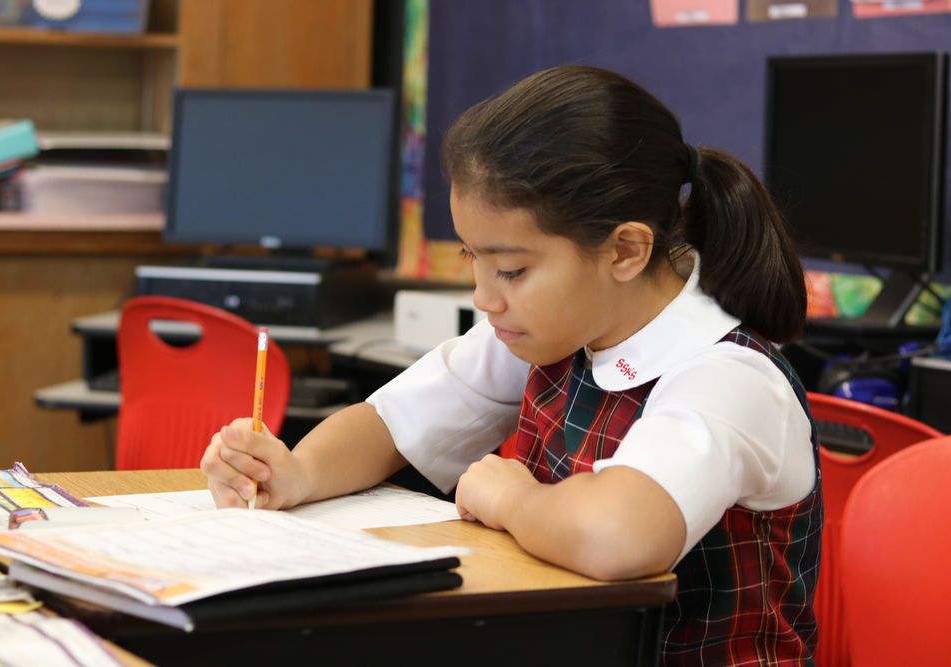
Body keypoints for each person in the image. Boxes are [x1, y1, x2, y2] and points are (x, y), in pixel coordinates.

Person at [201, 64, 821, 665]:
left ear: (625, 251)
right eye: (471, 258)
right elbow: (390, 423)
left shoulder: (727, 379)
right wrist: (298, 472)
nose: (484, 296)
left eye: (512, 269)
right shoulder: (554, 331)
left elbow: (618, 536)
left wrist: (511, 499)